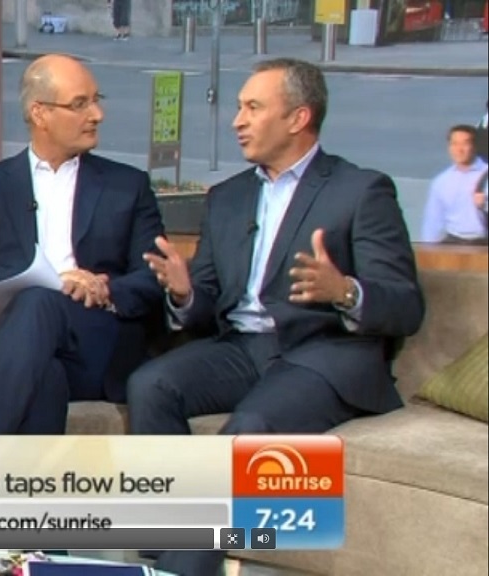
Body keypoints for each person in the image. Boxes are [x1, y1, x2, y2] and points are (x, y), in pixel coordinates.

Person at [128, 57, 425, 576]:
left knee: (251, 428)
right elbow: (208, 302)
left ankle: (180, 569)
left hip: (323, 355)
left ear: (298, 118)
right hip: (242, 349)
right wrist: (185, 293)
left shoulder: (361, 190)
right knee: (150, 384)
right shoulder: (228, 198)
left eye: (253, 107)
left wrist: (345, 290)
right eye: (239, 107)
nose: (237, 120)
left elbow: (405, 304)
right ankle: (169, 545)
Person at [0, 53, 166, 435]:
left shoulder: (128, 185)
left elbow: (152, 277)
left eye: (96, 100)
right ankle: (25, 476)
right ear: (40, 113)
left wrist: (104, 288)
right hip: (16, 343)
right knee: (43, 369)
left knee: (40, 304)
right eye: (80, 104)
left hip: (96, 342)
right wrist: (48, 281)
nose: (97, 114)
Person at [419, 124, 488, 245]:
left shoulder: (486, 174)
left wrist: (485, 204)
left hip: (484, 243)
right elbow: (433, 220)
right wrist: (427, 249)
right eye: (454, 144)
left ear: (474, 146)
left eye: (465, 143)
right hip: (453, 243)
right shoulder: (441, 181)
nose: (459, 149)